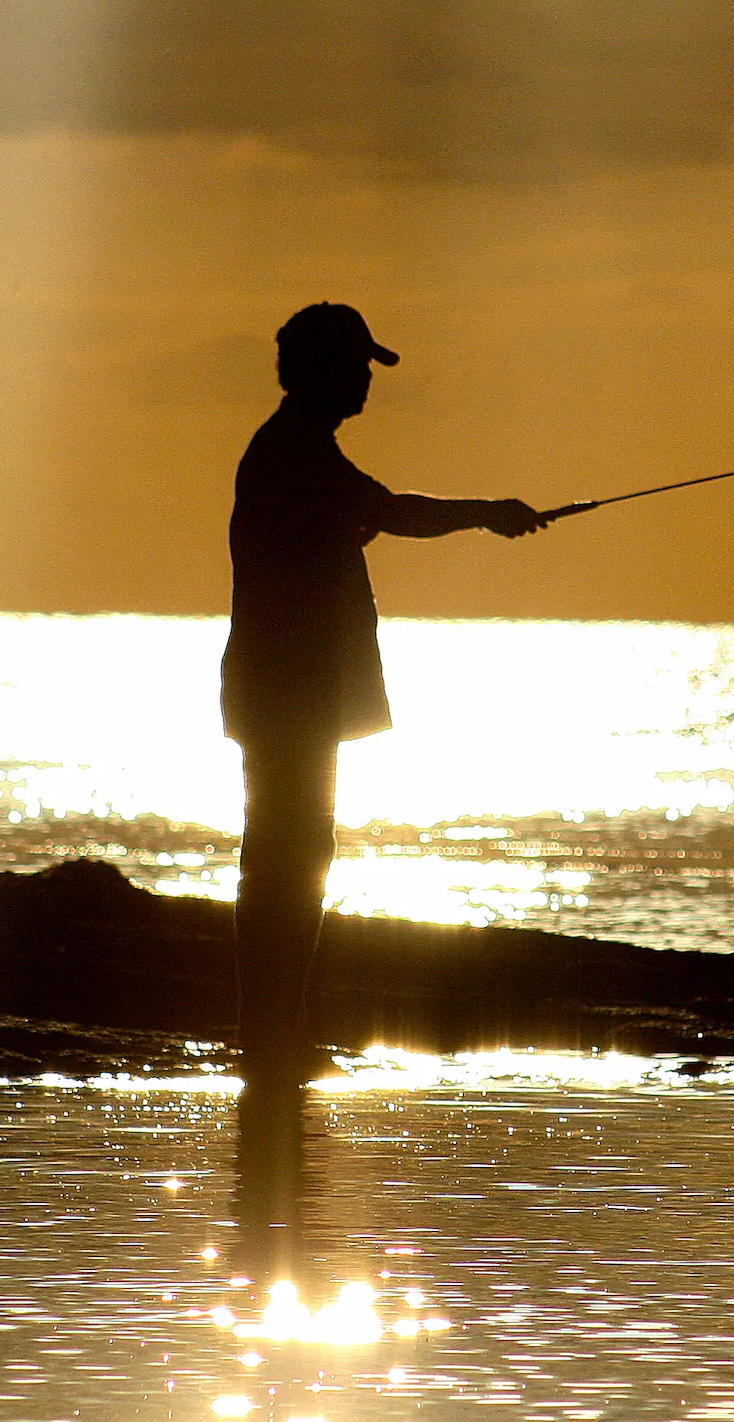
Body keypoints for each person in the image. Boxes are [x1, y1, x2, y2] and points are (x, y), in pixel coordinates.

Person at [221, 303, 545, 1083]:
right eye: (356, 363)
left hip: (292, 688)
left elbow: (370, 515)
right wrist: (487, 515)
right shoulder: (297, 451)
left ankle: (274, 1032)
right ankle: (270, 1039)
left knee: (292, 852)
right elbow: (393, 513)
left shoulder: (300, 450)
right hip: (288, 688)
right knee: (288, 858)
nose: (367, 377)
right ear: (321, 370)